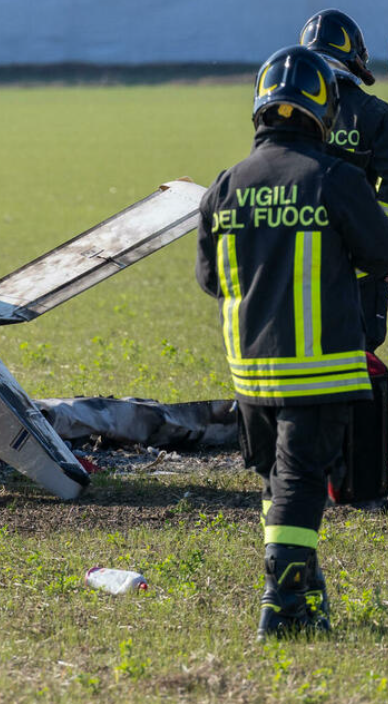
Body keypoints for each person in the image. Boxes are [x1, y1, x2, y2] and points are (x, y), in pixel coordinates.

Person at [195, 45, 388, 640]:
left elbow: (209, 279)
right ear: (321, 110)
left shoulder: (226, 185)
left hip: (250, 372)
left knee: (278, 482)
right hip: (320, 369)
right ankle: (279, 604)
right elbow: (380, 253)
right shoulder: (334, 177)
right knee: (303, 483)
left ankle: (304, 598)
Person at [301, 8, 388, 349]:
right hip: (359, 273)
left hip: (289, 264)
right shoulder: (373, 114)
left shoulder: (288, 115)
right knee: (353, 360)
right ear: (354, 57)